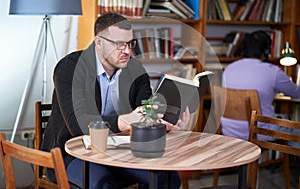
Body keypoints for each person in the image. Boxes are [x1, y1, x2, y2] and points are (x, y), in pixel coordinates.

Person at [41, 12, 190, 188]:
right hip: (71, 152)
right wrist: (123, 122)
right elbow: (77, 125)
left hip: (120, 150)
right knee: (103, 184)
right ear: (99, 42)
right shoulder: (70, 68)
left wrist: (166, 122)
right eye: (119, 44)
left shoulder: (135, 68)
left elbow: (146, 111)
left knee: (167, 177)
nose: (127, 51)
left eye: (129, 43)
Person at [221, 30, 300, 145]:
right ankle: (289, 161)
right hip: (259, 131)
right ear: (267, 51)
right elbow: (296, 93)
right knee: (294, 126)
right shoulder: (272, 71)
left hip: (229, 130)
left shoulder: (228, 69)